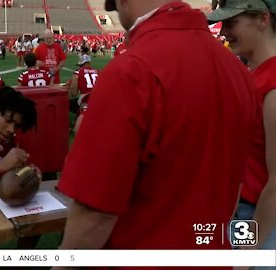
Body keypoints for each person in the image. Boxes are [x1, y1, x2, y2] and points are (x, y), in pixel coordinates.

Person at [55, 0, 257, 260]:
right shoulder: (238, 72)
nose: (110, 10)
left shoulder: (129, 71)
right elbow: (235, 188)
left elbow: (95, 213)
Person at [207, 0, 276, 255]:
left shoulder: (272, 81)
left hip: (260, 220)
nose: (223, 32)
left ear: (263, 20)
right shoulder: (255, 75)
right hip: (243, 214)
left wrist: (250, 249)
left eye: (232, 22)